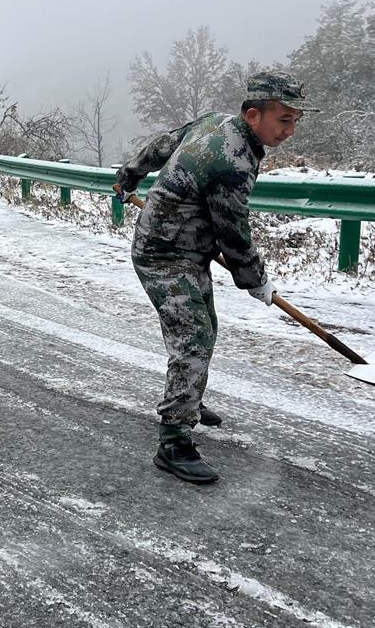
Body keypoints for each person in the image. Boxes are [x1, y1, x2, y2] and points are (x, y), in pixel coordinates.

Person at [114, 71, 316, 484]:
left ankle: (190, 397)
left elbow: (161, 145)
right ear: (254, 114)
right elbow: (234, 233)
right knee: (194, 338)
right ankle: (174, 440)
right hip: (163, 254)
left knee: (207, 326)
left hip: (190, 250)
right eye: (284, 120)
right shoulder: (232, 162)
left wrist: (130, 174)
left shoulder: (215, 121)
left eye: (296, 120)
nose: (291, 131)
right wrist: (256, 279)